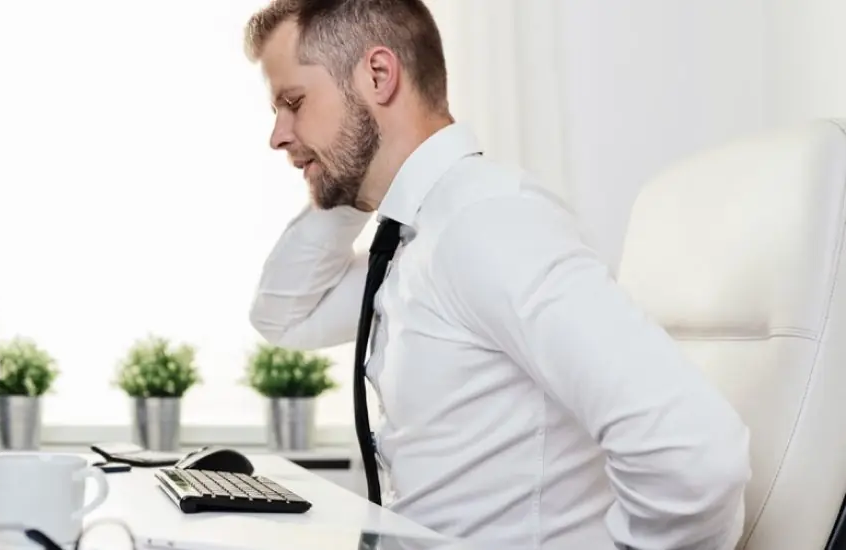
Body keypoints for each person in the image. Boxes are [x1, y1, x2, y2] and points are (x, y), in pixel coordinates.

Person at [242, 1, 752, 549]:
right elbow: (284, 314)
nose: (277, 135)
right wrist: (353, 168)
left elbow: (695, 455)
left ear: (378, 74)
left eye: (294, 102)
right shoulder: (418, 237)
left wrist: (349, 150)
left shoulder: (484, 223)